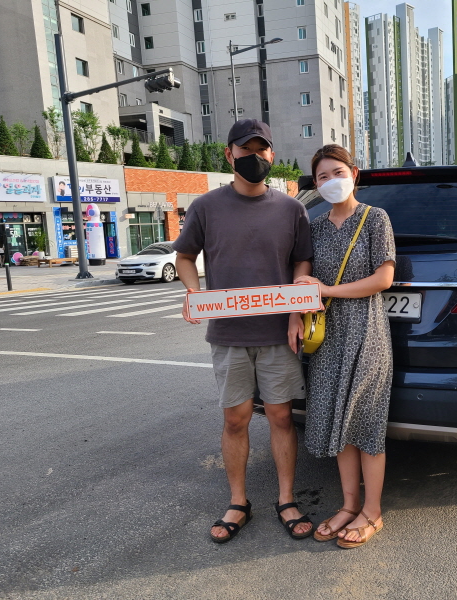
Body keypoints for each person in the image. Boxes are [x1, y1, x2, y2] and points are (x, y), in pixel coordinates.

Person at [173, 119, 315, 543]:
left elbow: (302, 262)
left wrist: (295, 311)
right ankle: (238, 501)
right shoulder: (206, 206)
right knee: (235, 420)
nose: (254, 157)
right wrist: (193, 292)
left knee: (281, 417)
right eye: (245, 150)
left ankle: (286, 499)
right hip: (229, 334)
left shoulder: (292, 209)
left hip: (278, 335)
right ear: (228, 154)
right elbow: (185, 256)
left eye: (261, 149)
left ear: (272, 154)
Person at [295, 144, 396, 549]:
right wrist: (302, 293)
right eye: (322, 176)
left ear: (354, 174)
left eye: (337, 172)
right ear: (316, 184)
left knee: (367, 423)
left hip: (367, 333)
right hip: (326, 337)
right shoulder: (314, 227)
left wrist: (327, 290)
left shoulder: (375, 218)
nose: (330, 181)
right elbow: (302, 279)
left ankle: (372, 511)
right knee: (340, 421)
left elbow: (384, 278)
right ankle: (349, 504)